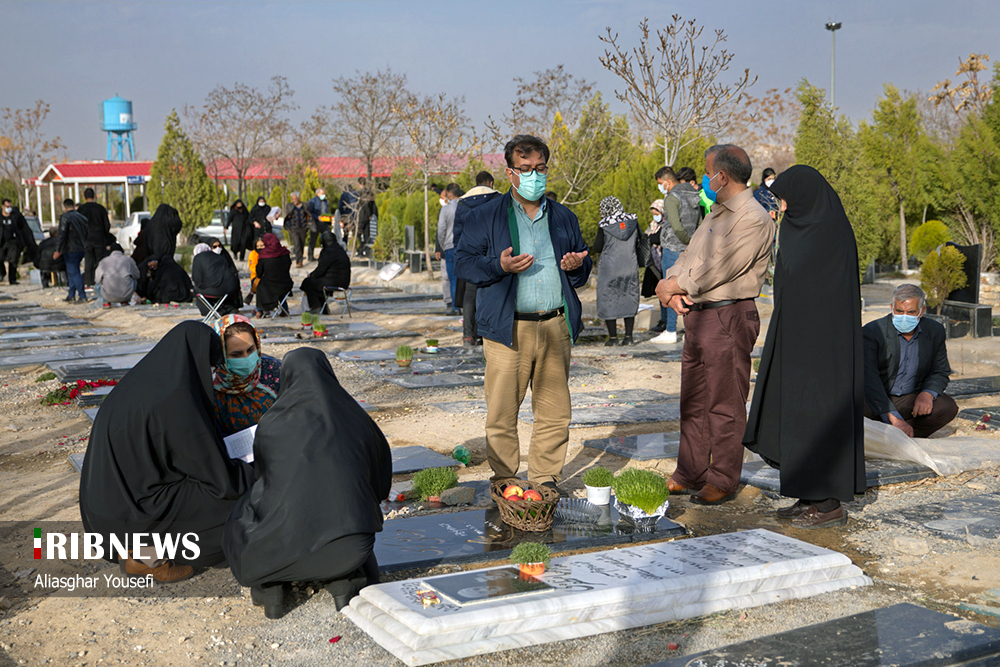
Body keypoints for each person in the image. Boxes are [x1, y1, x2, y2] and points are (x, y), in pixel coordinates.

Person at [455, 134, 592, 492]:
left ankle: (545, 479)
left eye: (540, 169)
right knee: (502, 412)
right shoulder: (485, 216)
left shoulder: (563, 216)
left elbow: (581, 264)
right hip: (508, 329)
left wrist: (577, 265)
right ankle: (506, 481)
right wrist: (497, 265)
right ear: (510, 173)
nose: (534, 175)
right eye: (526, 168)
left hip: (554, 326)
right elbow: (464, 264)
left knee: (554, 412)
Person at [223, 348, 391, 619]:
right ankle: (344, 583)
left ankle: (272, 589)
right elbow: (381, 484)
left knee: (243, 511)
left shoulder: (272, 423)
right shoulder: (358, 418)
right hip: (351, 548)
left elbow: (265, 487)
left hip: (284, 544)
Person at [80, 322, 255, 581]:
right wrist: (253, 472)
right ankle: (145, 557)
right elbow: (216, 477)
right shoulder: (176, 398)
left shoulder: (143, 381)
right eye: (208, 366)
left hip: (103, 515)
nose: (210, 373)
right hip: (134, 518)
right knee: (238, 506)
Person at [743, 165, 864, 528]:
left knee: (818, 414)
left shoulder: (830, 230)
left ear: (803, 197)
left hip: (825, 344)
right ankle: (807, 494)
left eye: (784, 199)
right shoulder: (801, 227)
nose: (781, 206)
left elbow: (824, 288)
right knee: (795, 412)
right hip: (796, 336)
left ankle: (828, 504)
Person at [655, 144, 775, 505]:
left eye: (708, 173)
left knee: (724, 404)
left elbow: (719, 268)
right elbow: (689, 256)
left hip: (728, 315)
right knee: (693, 400)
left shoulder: (753, 217)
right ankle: (689, 472)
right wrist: (671, 285)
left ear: (722, 176)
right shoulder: (716, 214)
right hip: (699, 313)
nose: (704, 180)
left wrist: (674, 286)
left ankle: (722, 478)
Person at [863, 284, 959, 439]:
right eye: (899, 311)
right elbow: (869, 378)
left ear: (922, 311)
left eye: (911, 312)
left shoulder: (934, 331)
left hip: (909, 397)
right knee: (851, 410)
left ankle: (906, 436)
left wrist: (927, 394)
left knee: (946, 407)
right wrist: (894, 417)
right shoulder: (873, 332)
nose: (904, 316)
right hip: (877, 398)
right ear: (892, 308)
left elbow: (940, 370)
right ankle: (890, 428)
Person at [650, 166, 699, 344]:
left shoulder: (672, 198)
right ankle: (690, 330)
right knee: (688, 289)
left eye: (660, 183)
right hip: (691, 250)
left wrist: (686, 241)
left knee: (669, 288)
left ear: (667, 182)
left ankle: (671, 329)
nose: (660, 187)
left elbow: (676, 227)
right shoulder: (694, 194)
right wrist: (693, 243)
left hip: (673, 247)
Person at [592, 196, 649, 346]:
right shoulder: (633, 221)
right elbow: (641, 240)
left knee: (608, 299)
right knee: (629, 298)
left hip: (609, 269)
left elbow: (597, 247)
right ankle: (628, 337)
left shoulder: (604, 225)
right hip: (630, 265)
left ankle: (613, 338)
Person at [212, 314, 281, 437]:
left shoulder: (273, 370)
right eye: (236, 354)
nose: (246, 358)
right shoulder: (210, 385)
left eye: (250, 350)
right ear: (220, 355)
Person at [454, 171, 501, 346]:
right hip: (492, 254)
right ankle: (484, 333)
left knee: (469, 295)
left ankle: (467, 335)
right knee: (491, 294)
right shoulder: (498, 199)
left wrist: (460, 255)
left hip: (470, 254)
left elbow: (457, 232)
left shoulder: (463, 202)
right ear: (491, 183)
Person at [301, 231, 351, 315]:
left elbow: (321, 269)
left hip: (335, 281)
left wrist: (311, 275)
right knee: (318, 284)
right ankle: (323, 309)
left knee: (308, 282)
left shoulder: (328, 252)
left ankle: (316, 307)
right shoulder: (340, 250)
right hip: (344, 281)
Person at [53, 199, 89, 302]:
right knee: (71, 272)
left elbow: (62, 234)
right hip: (81, 248)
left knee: (74, 272)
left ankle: (82, 296)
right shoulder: (82, 217)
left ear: (64, 207)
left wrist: (57, 250)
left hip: (70, 249)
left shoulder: (65, 217)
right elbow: (87, 233)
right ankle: (71, 294)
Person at [192, 243, 240, 316]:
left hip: (216, 290)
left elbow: (196, 279)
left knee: (197, 289)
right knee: (218, 289)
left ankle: (207, 311)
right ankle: (228, 308)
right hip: (231, 288)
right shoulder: (218, 256)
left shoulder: (198, 258)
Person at [436, 183, 463, 314]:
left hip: (449, 247)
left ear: (450, 195)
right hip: (464, 247)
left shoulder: (445, 210)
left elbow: (441, 230)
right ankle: (464, 306)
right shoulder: (465, 207)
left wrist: (443, 245)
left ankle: (455, 307)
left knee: (452, 278)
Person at [77, 187, 111, 287]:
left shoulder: (81, 209)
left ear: (84, 197)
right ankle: (100, 281)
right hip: (99, 238)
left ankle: (89, 282)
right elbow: (107, 225)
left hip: (86, 239)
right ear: (94, 196)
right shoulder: (101, 208)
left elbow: (78, 225)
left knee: (88, 261)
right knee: (100, 261)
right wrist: (105, 236)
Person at [254, 233, 293, 317]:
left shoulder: (264, 254)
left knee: (258, 285)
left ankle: (259, 310)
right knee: (280, 290)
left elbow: (259, 272)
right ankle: (285, 309)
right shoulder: (285, 252)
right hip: (285, 284)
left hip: (269, 286)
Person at [0, 199, 36, 285]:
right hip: (1, 242)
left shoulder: (16, 216)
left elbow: (23, 228)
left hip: (13, 241)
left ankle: (12, 279)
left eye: (10, 206)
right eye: (7, 207)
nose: (9, 208)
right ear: (2, 206)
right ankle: (2, 273)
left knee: (13, 260)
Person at [284, 192, 311, 268]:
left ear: (299, 198)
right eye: (293, 199)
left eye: (295, 199)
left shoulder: (305, 205)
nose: (294, 200)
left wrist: (308, 225)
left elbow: (308, 215)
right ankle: (299, 261)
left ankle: (300, 259)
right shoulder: (290, 206)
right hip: (294, 229)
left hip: (303, 228)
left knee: (301, 244)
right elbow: (288, 216)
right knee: (297, 244)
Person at [306, 188, 331, 262]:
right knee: (313, 240)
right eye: (322, 194)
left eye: (324, 194)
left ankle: (328, 255)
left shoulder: (325, 201)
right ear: (318, 193)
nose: (324, 195)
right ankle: (310, 256)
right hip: (315, 224)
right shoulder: (312, 201)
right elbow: (309, 213)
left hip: (324, 224)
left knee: (328, 238)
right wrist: (317, 217)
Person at [338, 182, 359, 247]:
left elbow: (340, 206)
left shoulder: (344, 195)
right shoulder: (356, 194)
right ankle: (355, 245)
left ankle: (345, 244)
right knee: (354, 231)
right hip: (355, 214)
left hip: (346, 215)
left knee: (346, 231)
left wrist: (341, 214)